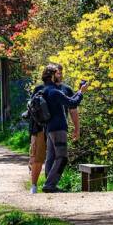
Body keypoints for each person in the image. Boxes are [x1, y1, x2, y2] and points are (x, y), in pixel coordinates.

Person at [41, 64, 86, 193]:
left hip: (49, 128)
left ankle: (49, 184)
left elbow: (68, 100)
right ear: (52, 76)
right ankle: (50, 185)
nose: (60, 75)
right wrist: (81, 92)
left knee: (51, 157)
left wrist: (77, 93)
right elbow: (72, 103)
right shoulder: (54, 91)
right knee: (62, 157)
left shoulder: (45, 90)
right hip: (58, 128)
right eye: (57, 74)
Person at [27, 82, 46, 194]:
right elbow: (32, 110)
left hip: (56, 128)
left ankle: (50, 185)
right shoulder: (39, 89)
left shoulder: (64, 88)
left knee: (54, 158)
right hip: (39, 128)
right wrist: (33, 133)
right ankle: (34, 185)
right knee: (37, 157)